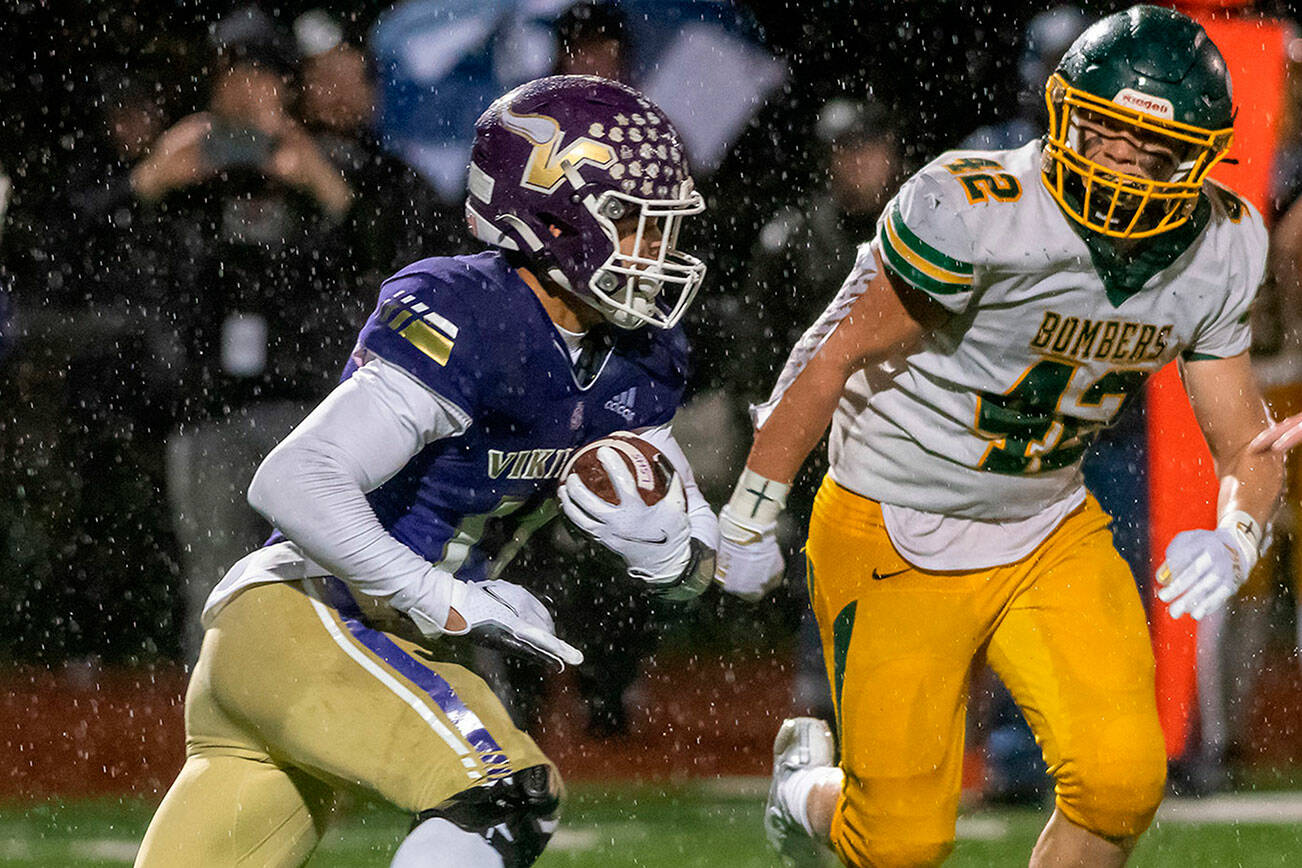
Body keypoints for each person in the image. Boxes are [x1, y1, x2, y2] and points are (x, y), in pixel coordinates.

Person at [713, 7, 1282, 867]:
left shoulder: (1221, 242)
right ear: (1064, 119)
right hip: (894, 519)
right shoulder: (976, 205)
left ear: (1197, 157)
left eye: (1153, 153)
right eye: (1109, 139)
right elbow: (828, 359)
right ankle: (805, 792)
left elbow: (1246, 441)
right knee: (897, 845)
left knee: (1122, 782)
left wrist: (1238, 537)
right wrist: (753, 509)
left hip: (1047, 524)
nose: (1125, 169)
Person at [134, 75, 719, 867]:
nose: (657, 250)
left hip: (339, 652)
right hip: (312, 615)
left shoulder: (640, 359)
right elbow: (294, 480)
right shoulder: (473, 312)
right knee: (504, 796)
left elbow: (703, 557)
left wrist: (674, 557)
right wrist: (443, 598)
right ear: (552, 217)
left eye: (663, 226)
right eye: (632, 222)